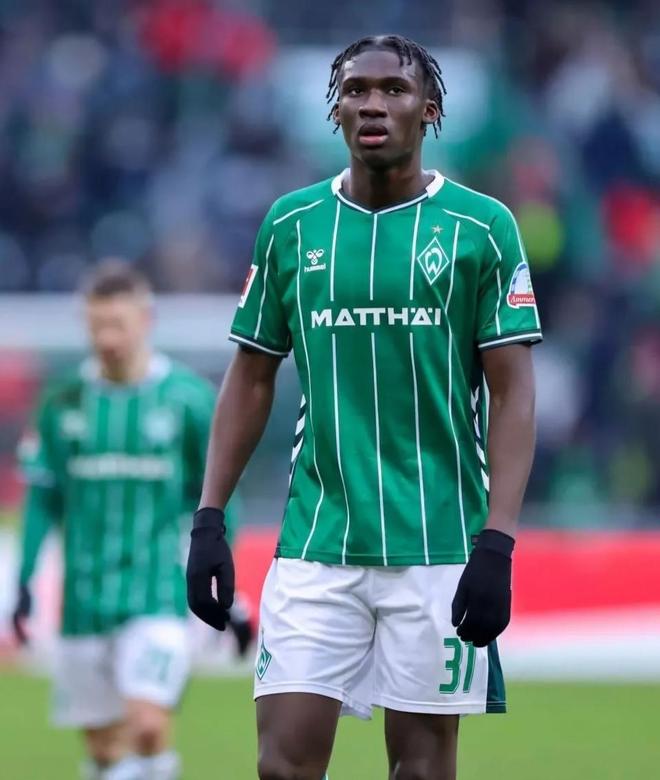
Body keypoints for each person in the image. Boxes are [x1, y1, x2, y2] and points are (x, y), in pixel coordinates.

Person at [186, 34, 542, 780]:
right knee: (281, 766)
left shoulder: (482, 228)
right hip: (318, 541)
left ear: (429, 110)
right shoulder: (291, 225)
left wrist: (499, 542)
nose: (373, 104)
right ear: (335, 111)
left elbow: (512, 391)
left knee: (421, 770)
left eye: (393, 90)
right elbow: (251, 376)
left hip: (438, 544)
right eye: (355, 90)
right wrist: (210, 518)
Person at [11, 260, 250, 780]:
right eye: (97, 326)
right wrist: (24, 580)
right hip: (83, 600)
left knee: (146, 725)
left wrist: (228, 588)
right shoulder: (62, 401)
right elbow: (43, 499)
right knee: (103, 749)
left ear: (146, 320)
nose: (107, 339)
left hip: (156, 594)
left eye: (117, 324)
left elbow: (216, 497)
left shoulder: (187, 399)